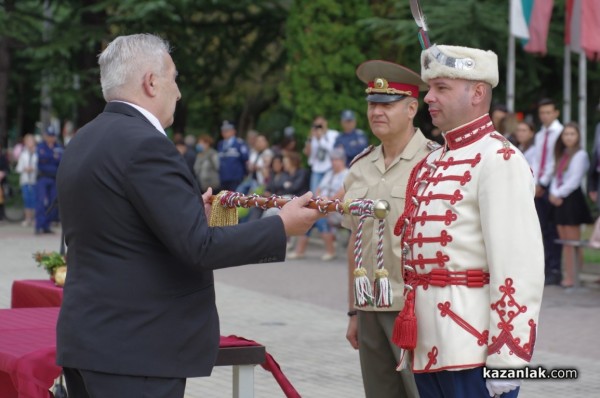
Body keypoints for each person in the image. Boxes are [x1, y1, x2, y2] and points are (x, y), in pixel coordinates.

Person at [55, 33, 322, 398]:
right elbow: (199, 247)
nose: (178, 92)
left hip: (92, 340)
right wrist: (280, 225)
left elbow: (121, 228)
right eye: (174, 78)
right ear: (151, 82)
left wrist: (190, 214)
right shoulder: (146, 144)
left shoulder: (84, 139)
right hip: (137, 351)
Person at [394, 44, 544, 398]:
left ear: (478, 93)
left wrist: (507, 357)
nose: (428, 97)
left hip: (472, 347)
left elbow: (518, 268)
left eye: (442, 88)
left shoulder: (499, 159)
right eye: (430, 88)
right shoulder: (432, 162)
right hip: (426, 345)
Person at [342, 59, 435, 398]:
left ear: (412, 108)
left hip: (416, 309)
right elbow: (356, 241)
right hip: (369, 307)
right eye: (372, 103)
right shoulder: (359, 168)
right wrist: (353, 310)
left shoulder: (434, 163)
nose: (376, 111)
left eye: (387, 103)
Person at [549, 122, 593, 288]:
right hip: (559, 197)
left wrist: (558, 193)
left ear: (578, 136)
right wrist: (553, 193)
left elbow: (574, 180)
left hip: (571, 199)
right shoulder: (562, 154)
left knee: (573, 241)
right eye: (566, 134)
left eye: (572, 134)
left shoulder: (580, 155)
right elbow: (556, 176)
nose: (568, 137)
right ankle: (568, 274)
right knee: (564, 241)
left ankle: (574, 276)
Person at [288, 147, 348, 261]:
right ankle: (300, 251)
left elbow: (341, 193)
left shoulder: (347, 174)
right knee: (309, 217)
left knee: (319, 219)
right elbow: (319, 189)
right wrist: (319, 201)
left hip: (337, 209)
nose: (334, 162)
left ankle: (330, 251)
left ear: (342, 161)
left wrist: (327, 204)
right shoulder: (329, 173)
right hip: (322, 206)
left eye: (336, 159)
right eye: (332, 159)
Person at [532, 98, 564, 286]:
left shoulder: (559, 133)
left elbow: (554, 161)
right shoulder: (540, 134)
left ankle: (555, 268)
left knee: (552, 230)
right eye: (542, 113)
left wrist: (542, 183)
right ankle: (542, 267)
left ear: (556, 113)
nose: (545, 116)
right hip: (538, 186)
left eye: (548, 112)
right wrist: (534, 182)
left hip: (551, 185)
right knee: (540, 228)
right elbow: (537, 160)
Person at [35, 125, 63, 234]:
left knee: (53, 203)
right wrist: (53, 158)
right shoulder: (41, 146)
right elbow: (41, 162)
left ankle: (46, 225)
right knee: (41, 202)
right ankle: (39, 226)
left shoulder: (59, 147)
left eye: (52, 136)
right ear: (45, 136)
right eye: (49, 136)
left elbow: (61, 161)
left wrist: (48, 158)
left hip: (54, 178)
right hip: (43, 177)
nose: (51, 138)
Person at [303, 115, 339, 192]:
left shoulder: (333, 134)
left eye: (321, 124)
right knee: (314, 193)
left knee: (327, 193)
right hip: (316, 169)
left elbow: (333, 150)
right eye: (317, 125)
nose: (319, 127)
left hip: (329, 168)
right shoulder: (313, 137)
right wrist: (310, 139)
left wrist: (321, 138)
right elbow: (307, 153)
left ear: (326, 123)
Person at [217, 120, 249, 191]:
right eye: (223, 131)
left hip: (236, 178)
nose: (224, 133)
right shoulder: (220, 144)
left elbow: (245, 160)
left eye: (227, 130)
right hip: (223, 178)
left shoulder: (239, 143)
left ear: (233, 131)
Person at [15, 133, 38, 226]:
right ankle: (27, 218)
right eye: (27, 141)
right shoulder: (23, 154)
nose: (29, 143)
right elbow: (18, 168)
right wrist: (25, 168)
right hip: (25, 180)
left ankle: (34, 219)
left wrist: (33, 168)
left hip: (34, 180)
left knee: (34, 200)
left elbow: (39, 166)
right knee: (27, 200)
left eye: (31, 141)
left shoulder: (37, 153)